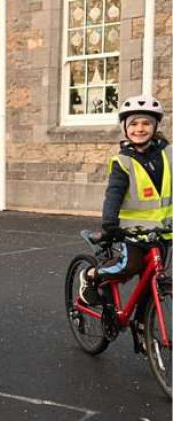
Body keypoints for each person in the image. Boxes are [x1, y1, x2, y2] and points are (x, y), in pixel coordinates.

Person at [79, 95, 171, 306]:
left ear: (155, 126)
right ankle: (91, 275)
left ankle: (142, 329)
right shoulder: (123, 162)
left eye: (146, 123)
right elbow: (114, 194)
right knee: (128, 267)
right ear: (125, 128)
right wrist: (109, 224)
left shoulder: (169, 154)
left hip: (163, 232)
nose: (140, 128)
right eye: (134, 124)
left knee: (152, 283)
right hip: (133, 232)